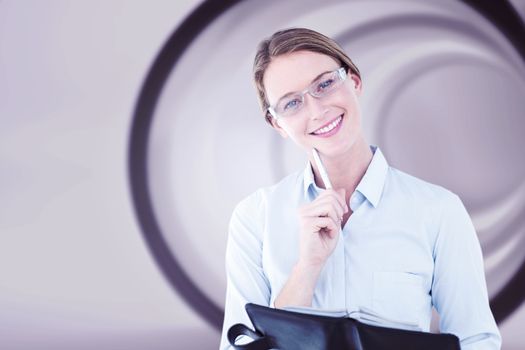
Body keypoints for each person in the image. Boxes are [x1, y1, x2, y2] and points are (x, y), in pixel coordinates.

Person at [220, 28, 501, 350]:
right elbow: (238, 345)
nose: (316, 110)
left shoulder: (438, 211)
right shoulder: (255, 217)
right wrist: (307, 268)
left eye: (325, 84)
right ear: (277, 124)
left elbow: (477, 340)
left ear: (354, 81)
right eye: (291, 103)